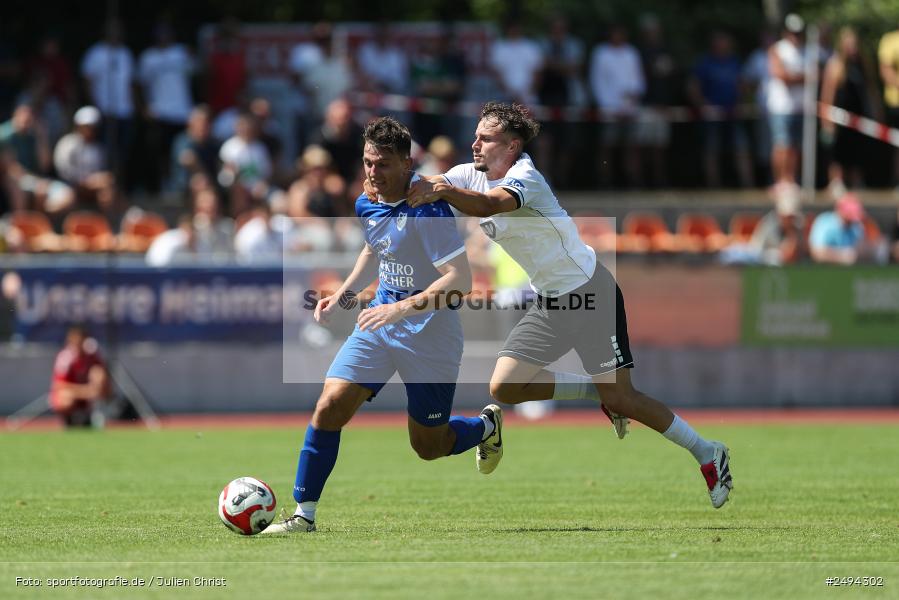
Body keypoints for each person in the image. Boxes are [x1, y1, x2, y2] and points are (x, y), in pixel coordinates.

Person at [407, 102, 733, 508]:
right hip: (551, 301)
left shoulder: (526, 178)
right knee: (504, 386)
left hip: (590, 293)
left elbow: (487, 205)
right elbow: (432, 182)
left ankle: (708, 451)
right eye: (475, 135)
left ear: (511, 146)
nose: (474, 143)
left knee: (626, 399)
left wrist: (439, 189)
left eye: (485, 138)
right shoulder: (469, 174)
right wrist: (393, 184)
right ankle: (598, 392)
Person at [263, 117, 499, 534]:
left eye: (384, 164)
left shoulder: (429, 208)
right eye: (369, 162)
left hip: (431, 335)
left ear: (407, 163)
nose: (374, 173)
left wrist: (399, 309)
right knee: (329, 406)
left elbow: (459, 280)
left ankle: (485, 426)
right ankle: (304, 514)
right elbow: (375, 249)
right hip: (378, 325)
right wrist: (347, 293)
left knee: (428, 446)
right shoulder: (366, 200)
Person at [820, 27, 882, 197]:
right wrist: (827, 120)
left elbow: (871, 90)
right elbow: (828, 94)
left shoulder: (862, 64)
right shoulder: (835, 64)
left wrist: (876, 113)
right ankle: (837, 181)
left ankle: (856, 182)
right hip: (839, 117)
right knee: (837, 151)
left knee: (857, 151)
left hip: (858, 118)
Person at [767, 14, 807, 185]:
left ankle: (791, 179)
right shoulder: (777, 49)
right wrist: (803, 78)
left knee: (795, 147)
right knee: (782, 144)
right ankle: (780, 181)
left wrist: (797, 77)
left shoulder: (806, 50)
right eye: (792, 32)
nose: (795, 36)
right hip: (781, 108)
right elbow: (781, 75)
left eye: (798, 33)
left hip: (801, 107)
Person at [49, 324, 109, 428]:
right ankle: (68, 421)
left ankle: (97, 415)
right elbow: (59, 385)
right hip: (74, 394)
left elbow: (101, 374)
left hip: (88, 394)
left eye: (81, 341)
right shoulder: (65, 358)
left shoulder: (91, 355)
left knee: (99, 374)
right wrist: (84, 391)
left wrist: (100, 388)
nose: (78, 344)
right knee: (66, 398)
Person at [809, 193, 865, 265]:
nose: (851, 221)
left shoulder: (856, 226)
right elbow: (816, 253)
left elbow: (861, 249)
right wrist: (842, 257)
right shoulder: (824, 222)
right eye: (849, 215)